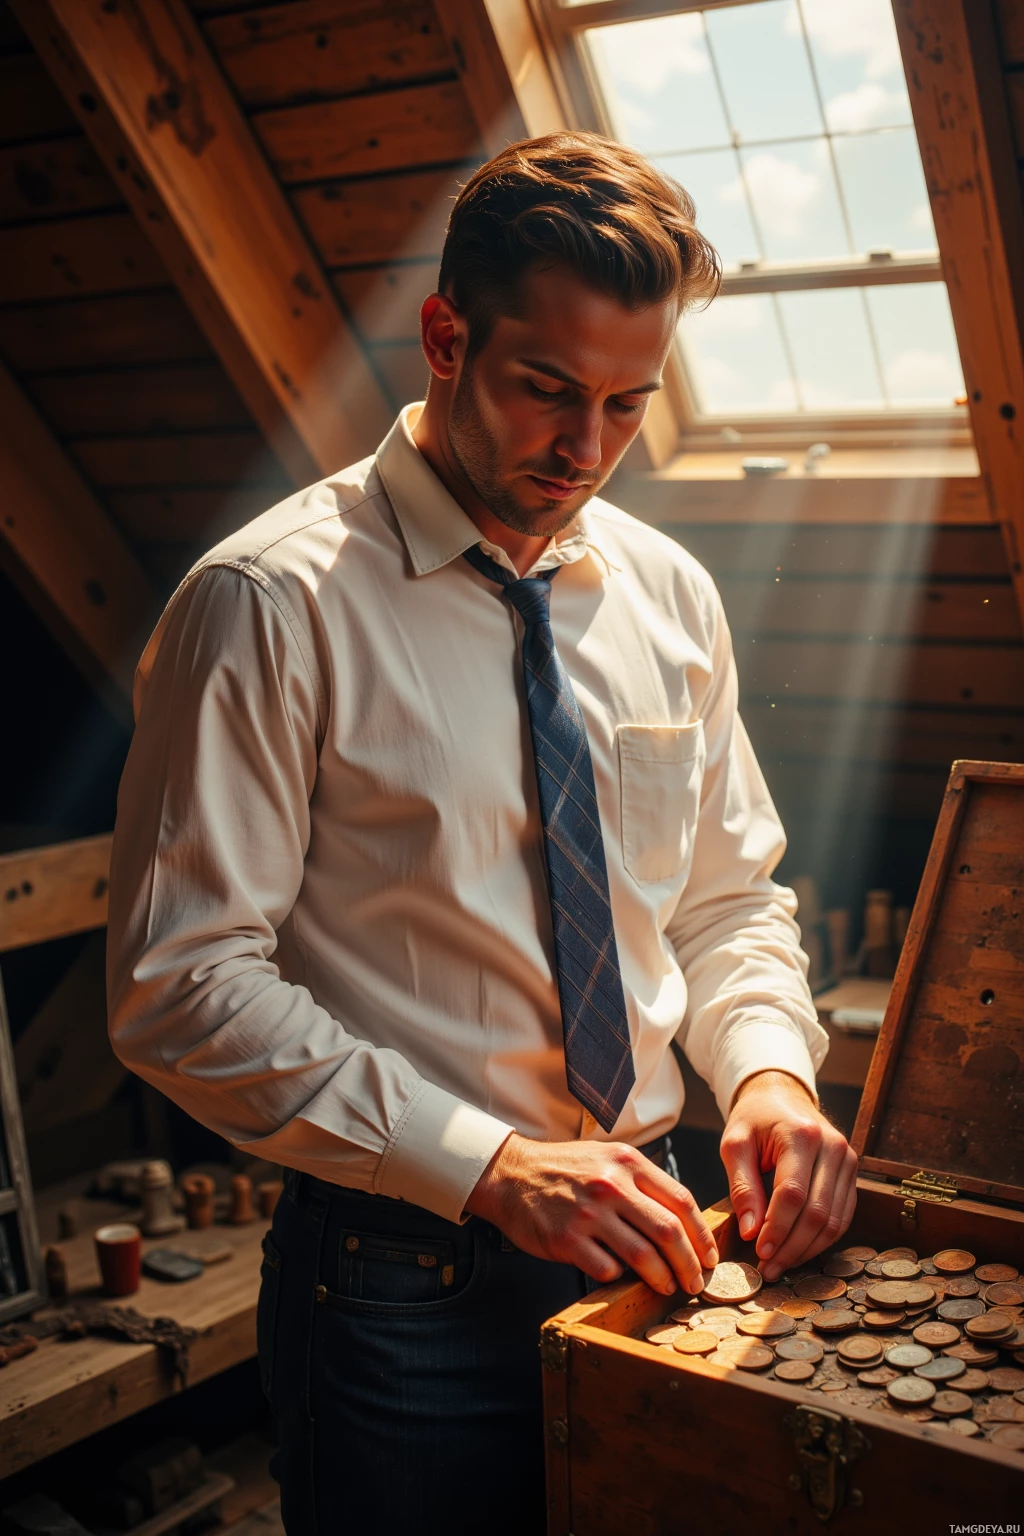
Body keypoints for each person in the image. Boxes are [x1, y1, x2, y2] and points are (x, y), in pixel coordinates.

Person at [107, 132, 856, 1534]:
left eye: (629, 406)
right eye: (547, 390)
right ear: (446, 338)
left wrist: (769, 1078)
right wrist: (496, 1168)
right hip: (401, 1300)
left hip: (669, 1250)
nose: (585, 451)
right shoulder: (264, 607)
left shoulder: (673, 597)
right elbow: (178, 990)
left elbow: (723, 901)